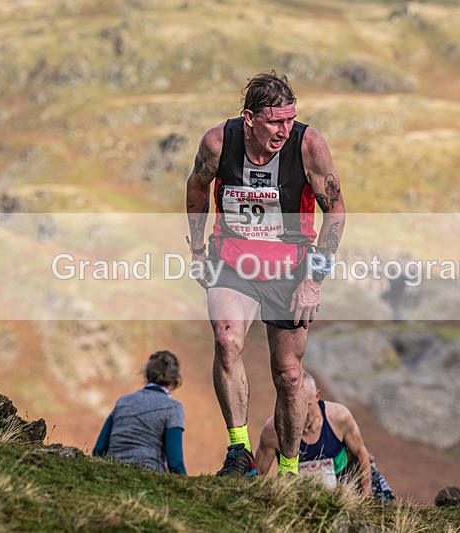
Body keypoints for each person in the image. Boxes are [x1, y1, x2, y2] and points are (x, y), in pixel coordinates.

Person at [185, 71, 346, 476]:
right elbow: (197, 190)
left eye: (290, 119)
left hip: (291, 267)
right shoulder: (219, 143)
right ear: (249, 118)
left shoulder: (308, 145)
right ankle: (239, 451)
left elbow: (336, 212)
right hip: (231, 259)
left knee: (290, 376)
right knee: (227, 341)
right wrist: (199, 249)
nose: (284, 129)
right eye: (276, 121)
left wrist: (313, 281)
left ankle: (289, 470)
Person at [255, 372, 383, 498]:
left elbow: (361, 452)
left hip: (341, 498)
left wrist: (367, 494)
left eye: (307, 405)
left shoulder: (339, 417)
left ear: (317, 396)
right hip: (297, 502)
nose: (300, 414)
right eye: (293, 407)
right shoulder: (273, 430)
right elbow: (258, 476)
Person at [92, 350, 186, 475]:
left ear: (147, 375)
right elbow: (175, 463)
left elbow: (99, 450)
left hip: (110, 474)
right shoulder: (173, 408)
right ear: (174, 382)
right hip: (149, 476)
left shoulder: (122, 402)